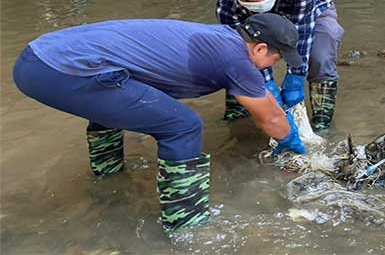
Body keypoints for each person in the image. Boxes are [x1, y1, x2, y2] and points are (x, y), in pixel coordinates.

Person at [12, 13, 306, 233]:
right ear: (259, 48)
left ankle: (107, 177)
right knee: (184, 126)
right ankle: (187, 224)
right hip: (59, 71)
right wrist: (295, 146)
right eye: (277, 59)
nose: (274, 65)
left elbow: (261, 98)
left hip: (40, 57)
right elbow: (271, 121)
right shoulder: (238, 62)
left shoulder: (220, 36)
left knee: (116, 93)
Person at [217, 0, 343, 131]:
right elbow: (246, 50)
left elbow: (303, 34)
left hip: (312, 9)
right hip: (253, 22)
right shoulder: (227, 6)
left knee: (320, 53)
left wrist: (296, 76)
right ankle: (238, 114)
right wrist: (267, 86)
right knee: (241, 60)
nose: (262, 1)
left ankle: (322, 119)